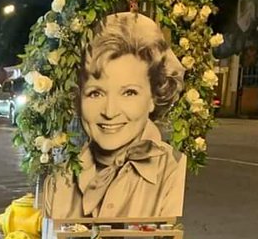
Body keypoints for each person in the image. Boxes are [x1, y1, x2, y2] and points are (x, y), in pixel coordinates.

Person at [44, 11, 186, 221]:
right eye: (95, 93)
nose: (109, 112)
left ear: (153, 97)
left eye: (129, 92)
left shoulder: (170, 171)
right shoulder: (59, 179)